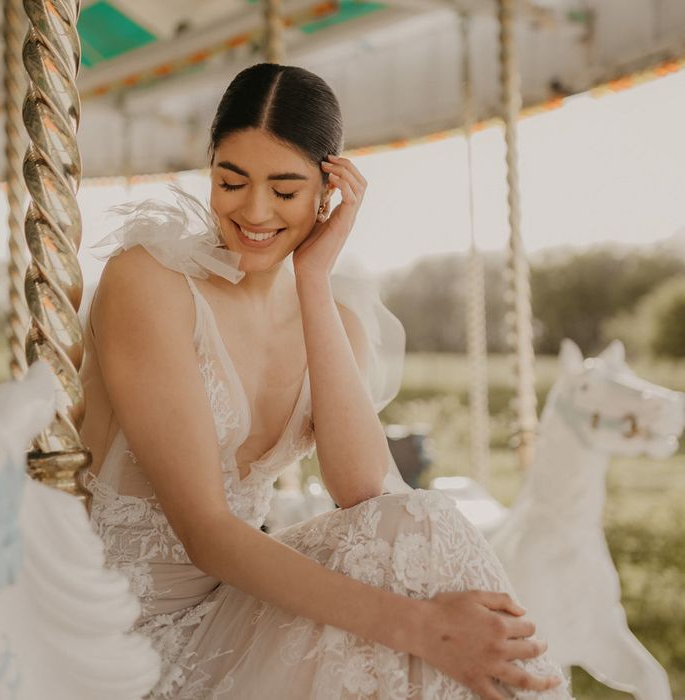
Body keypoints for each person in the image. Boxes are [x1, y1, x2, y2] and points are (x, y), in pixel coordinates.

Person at [79, 62, 572, 699]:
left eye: (285, 191)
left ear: (328, 190)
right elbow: (205, 532)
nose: (254, 211)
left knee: (421, 525)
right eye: (232, 182)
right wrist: (424, 628)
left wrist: (312, 279)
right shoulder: (150, 284)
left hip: (233, 605)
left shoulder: (333, 317)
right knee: (421, 592)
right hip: (122, 632)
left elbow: (367, 490)